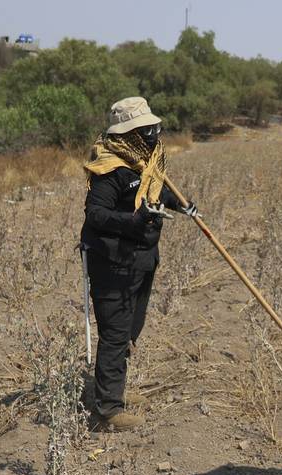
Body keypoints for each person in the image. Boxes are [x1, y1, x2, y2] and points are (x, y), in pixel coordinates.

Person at [79, 96, 194, 432]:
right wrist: (136, 219)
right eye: (146, 129)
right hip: (111, 260)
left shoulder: (147, 161)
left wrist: (180, 205)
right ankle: (107, 412)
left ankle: (111, 391)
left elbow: (156, 191)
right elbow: (96, 215)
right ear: (127, 133)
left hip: (142, 256)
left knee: (131, 328)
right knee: (115, 333)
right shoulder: (110, 167)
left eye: (153, 128)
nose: (153, 134)